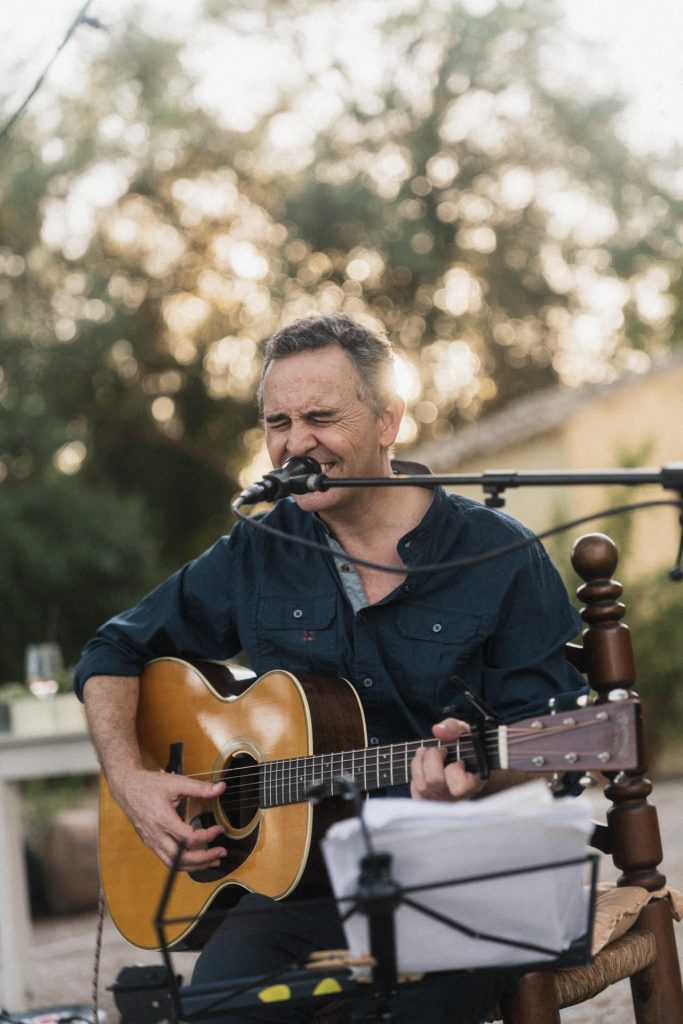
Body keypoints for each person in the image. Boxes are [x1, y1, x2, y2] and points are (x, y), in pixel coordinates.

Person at [74, 313, 585, 1024]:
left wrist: (478, 778)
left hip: (460, 875)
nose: (293, 442)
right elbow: (112, 650)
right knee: (215, 1014)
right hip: (302, 887)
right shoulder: (259, 546)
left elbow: (551, 742)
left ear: (388, 420)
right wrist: (131, 779)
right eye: (276, 421)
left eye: (320, 416)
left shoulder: (497, 554)